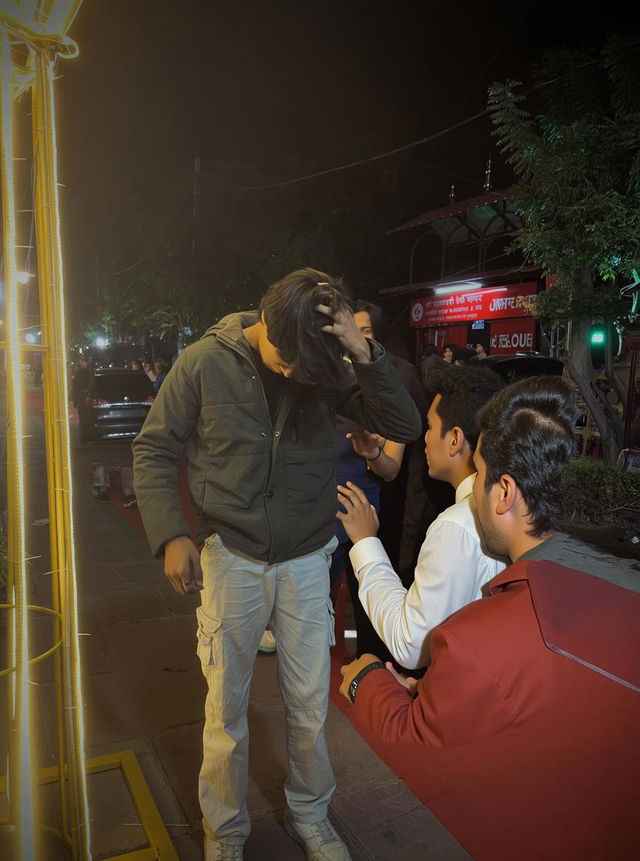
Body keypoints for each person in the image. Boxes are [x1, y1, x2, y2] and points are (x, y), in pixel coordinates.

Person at [132, 268, 421, 861]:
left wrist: (360, 350)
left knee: (311, 704)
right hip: (230, 556)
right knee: (225, 707)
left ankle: (310, 815)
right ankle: (225, 832)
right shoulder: (204, 363)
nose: (295, 373)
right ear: (266, 323)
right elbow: (155, 447)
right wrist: (170, 536)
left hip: (309, 557)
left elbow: (403, 425)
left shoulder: (324, 364)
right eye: (288, 358)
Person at [338, 376, 640, 861]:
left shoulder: (476, 639)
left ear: (503, 492)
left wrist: (365, 679)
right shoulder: (604, 579)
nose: (470, 491)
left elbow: (417, 734)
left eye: (477, 475)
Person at [336, 365, 506, 669]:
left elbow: (411, 645)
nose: (425, 439)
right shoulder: (504, 507)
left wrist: (365, 542)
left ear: (454, 439)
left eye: (429, 426)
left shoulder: (455, 527)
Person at [70, 355, 94, 444]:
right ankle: (86, 438)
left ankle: (84, 439)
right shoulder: (88, 372)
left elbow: (76, 387)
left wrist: (76, 399)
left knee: (83, 420)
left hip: (82, 399)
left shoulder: (80, 372)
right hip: (86, 398)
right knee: (86, 420)